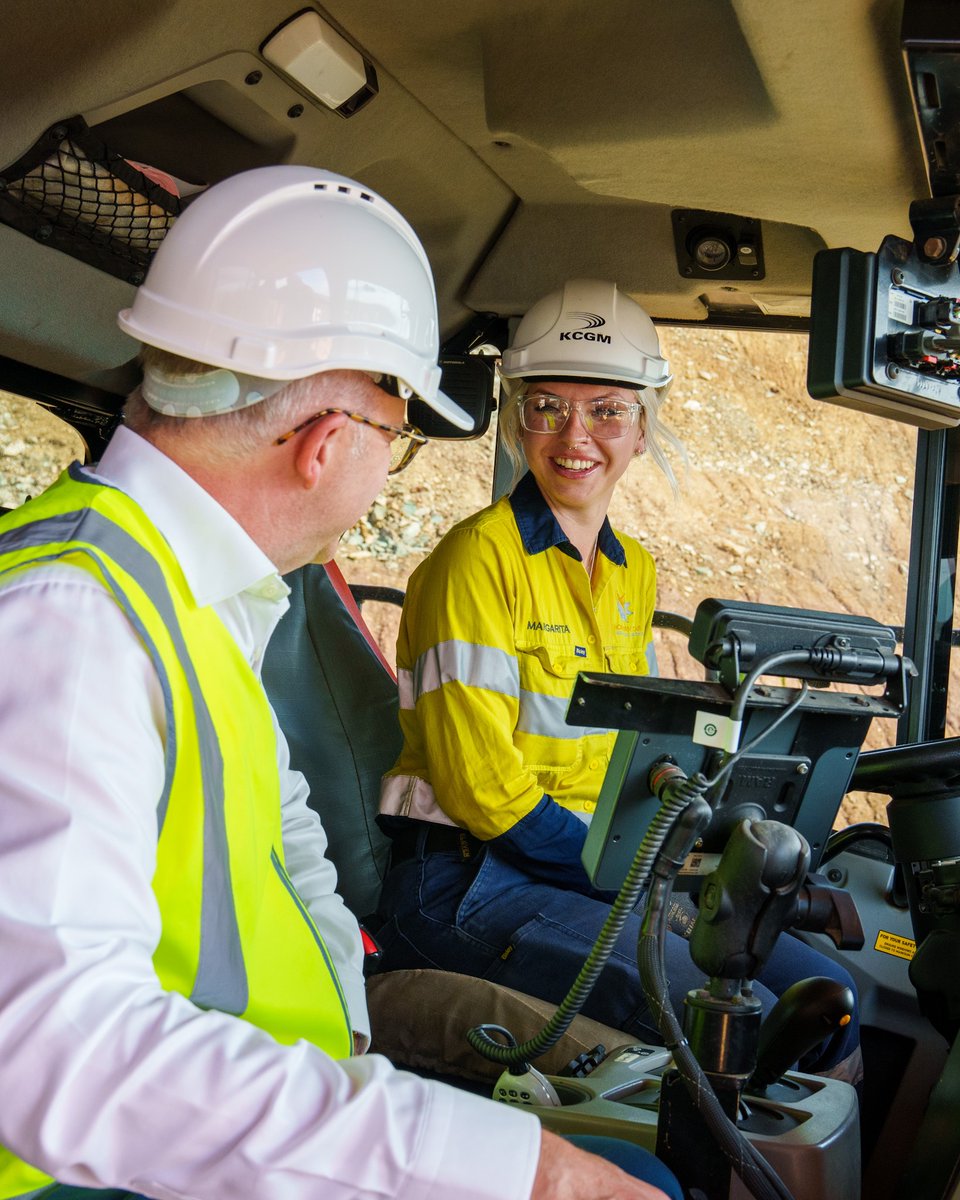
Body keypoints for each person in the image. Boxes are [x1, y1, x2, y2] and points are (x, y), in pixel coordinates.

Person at [0, 175, 679, 1200]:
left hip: (254, 1104)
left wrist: (349, 1031)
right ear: (327, 443)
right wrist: (519, 1169)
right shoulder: (73, 620)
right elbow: (61, 1060)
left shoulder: (199, 600)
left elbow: (293, 849)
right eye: (395, 443)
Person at [376, 278, 862, 1086]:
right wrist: (630, 876)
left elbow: (635, 753)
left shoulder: (633, 570)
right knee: (738, 1019)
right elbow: (480, 789)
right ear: (517, 418)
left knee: (829, 996)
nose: (575, 437)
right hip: (463, 881)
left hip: (578, 870)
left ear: (642, 429)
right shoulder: (475, 561)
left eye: (607, 410)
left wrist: (687, 853)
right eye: (547, 407)